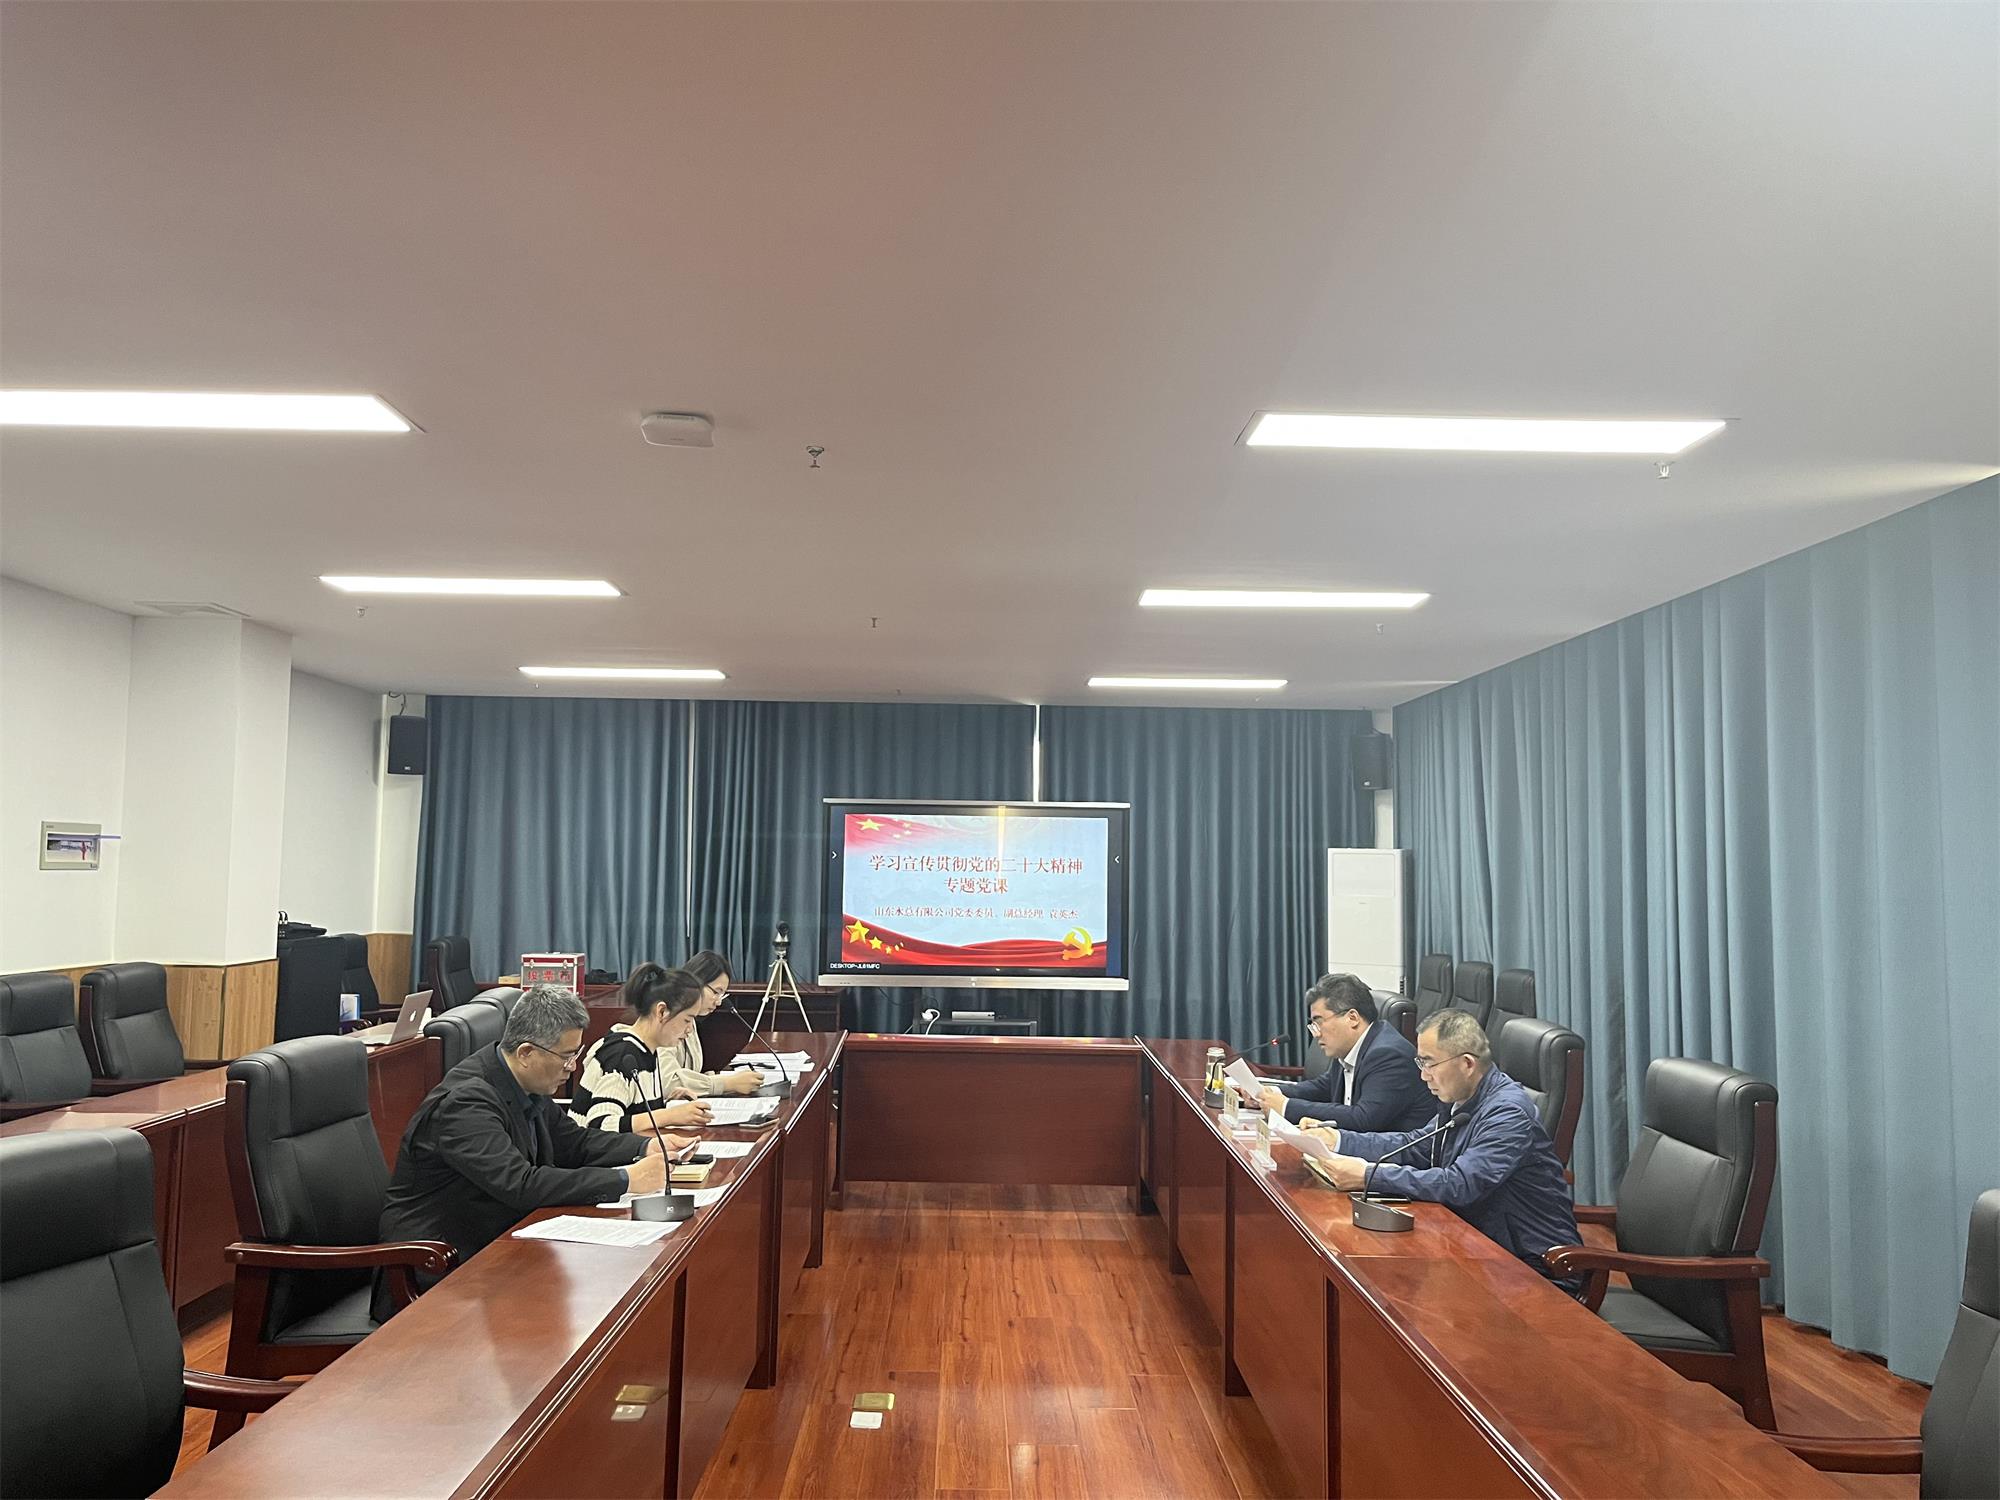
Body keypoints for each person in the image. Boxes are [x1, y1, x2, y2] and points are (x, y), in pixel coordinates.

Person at [378, 984, 684, 1287]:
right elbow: (520, 1184)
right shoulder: (466, 1103)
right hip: (435, 1266)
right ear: (526, 1052)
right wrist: (625, 1179)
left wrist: (645, 1146)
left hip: (495, 1244)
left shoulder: (524, 1081)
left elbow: (574, 1143)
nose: (572, 1066)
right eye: (566, 1056)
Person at [1306, 1009, 1581, 1287]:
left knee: (1394, 1286)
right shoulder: (1460, 1099)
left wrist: (1368, 1175)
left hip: (1535, 1268)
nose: (1423, 1076)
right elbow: (1414, 1146)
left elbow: (1460, 1184)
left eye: (1429, 1063)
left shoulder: (1507, 1113)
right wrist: (1338, 1139)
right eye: (1420, 1062)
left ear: (1467, 1063)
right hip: (1478, 1245)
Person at [1255, 973, 1433, 1131]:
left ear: (1352, 1018)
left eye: (1319, 1022)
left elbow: (1363, 1119)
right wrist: (1270, 1094)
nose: (1316, 1033)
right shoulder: (1351, 1048)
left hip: (1391, 1155)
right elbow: (1324, 1087)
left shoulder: (1389, 1054)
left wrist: (1286, 1107)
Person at [569, 963, 729, 1132]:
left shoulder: (648, 1051)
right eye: (687, 1020)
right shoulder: (621, 1055)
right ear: (662, 1012)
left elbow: (632, 1108)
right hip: (586, 1148)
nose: (689, 1030)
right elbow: (600, 1125)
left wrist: (665, 1102)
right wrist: (669, 1116)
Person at [667, 950, 762, 1097]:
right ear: (696, 981)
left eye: (722, 995)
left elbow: (690, 1073)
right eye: (716, 992)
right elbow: (668, 1082)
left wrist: (716, 1079)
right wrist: (726, 1083)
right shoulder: (666, 1018)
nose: (718, 1002)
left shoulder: (692, 1019)